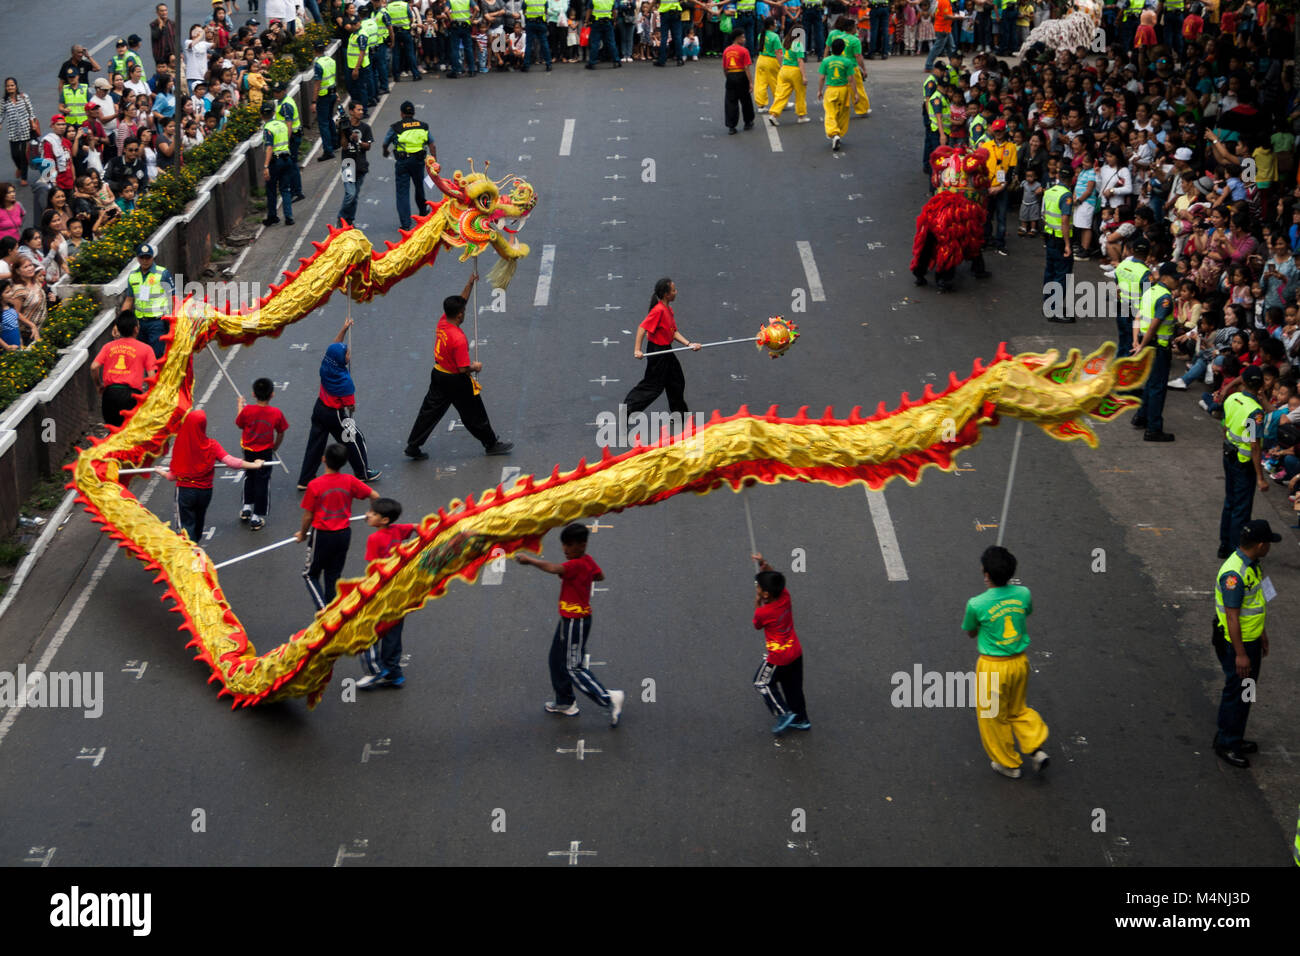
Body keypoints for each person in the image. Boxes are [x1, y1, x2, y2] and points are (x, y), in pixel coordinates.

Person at [516, 522, 625, 726]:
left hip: (576, 621)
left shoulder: (575, 565)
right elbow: (599, 576)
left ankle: (609, 698)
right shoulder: (587, 561)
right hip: (569, 619)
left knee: (573, 667)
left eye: (569, 545)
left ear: (581, 545)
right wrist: (581, 581)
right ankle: (565, 702)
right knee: (556, 659)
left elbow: (554, 568)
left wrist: (530, 560)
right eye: (564, 545)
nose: (565, 549)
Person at [404, 271, 514, 459]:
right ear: (460, 315)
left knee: (429, 412)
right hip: (456, 380)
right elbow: (463, 368)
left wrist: (469, 283)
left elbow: (461, 300)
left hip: (438, 373)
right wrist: (476, 367)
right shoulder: (458, 339)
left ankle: (413, 445)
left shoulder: (443, 322)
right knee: (474, 413)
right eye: (463, 311)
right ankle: (491, 444)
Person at [962, 545, 1049, 780]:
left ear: (986, 574)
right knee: (1017, 709)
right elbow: (1025, 612)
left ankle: (1008, 764)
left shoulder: (976, 604)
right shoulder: (1024, 594)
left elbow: (970, 632)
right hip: (1019, 663)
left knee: (993, 717)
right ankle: (1035, 748)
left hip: (992, 667)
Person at [1212, 519, 1279, 769]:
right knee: (1237, 692)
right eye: (1268, 543)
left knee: (1246, 690)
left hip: (1250, 640)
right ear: (1261, 545)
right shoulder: (1234, 574)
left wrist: (1262, 632)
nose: (1269, 548)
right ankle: (1226, 742)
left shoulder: (1253, 565)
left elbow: (1257, 602)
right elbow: (1232, 616)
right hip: (1237, 645)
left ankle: (1235, 736)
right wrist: (1240, 654)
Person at [155, 409, 267, 544]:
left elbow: (172, 476)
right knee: (198, 525)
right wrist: (255, 465)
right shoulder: (212, 445)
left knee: (184, 529)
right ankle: (195, 550)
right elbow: (231, 461)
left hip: (185, 491)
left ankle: (191, 557)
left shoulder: (181, 445)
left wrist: (162, 472)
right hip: (205, 492)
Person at [296, 443, 381, 610]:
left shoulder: (315, 485)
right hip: (343, 534)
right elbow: (374, 495)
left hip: (322, 535)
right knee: (333, 576)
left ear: (324, 460)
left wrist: (302, 533)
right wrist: (373, 514)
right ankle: (334, 611)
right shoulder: (349, 480)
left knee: (310, 574)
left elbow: (308, 516)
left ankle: (323, 610)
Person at [298, 317, 381, 489]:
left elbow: (335, 346)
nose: (349, 354)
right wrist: (352, 407)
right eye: (348, 353)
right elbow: (350, 405)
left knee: (315, 444)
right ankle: (363, 472)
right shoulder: (345, 382)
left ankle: (305, 479)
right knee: (355, 438)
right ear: (343, 359)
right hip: (334, 414)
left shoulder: (327, 364)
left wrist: (344, 329)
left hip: (319, 408)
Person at [356, 497, 417, 688]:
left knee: (367, 629)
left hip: (382, 592)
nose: (367, 515)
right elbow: (415, 526)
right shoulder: (398, 530)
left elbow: (373, 569)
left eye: (373, 514)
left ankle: (376, 669)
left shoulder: (374, 538)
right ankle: (394, 673)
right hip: (401, 590)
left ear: (384, 520)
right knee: (393, 633)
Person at [623, 277, 700, 416]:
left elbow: (673, 332)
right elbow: (642, 328)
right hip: (658, 353)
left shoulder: (668, 309)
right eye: (674, 290)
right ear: (666, 294)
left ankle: (679, 415)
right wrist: (637, 350)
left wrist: (689, 344)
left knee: (676, 381)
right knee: (653, 386)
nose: (676, 292)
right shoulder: (658, 311)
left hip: (666, 350)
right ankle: (628, 409)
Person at [751, 552, 809, 734]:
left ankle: (783, 714)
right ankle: (801, 720)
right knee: (793, 688)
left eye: (758, 587)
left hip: (778, 658)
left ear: (766, 594)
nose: (757, 589)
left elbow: (757, 625)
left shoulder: (763, 612)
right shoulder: (785, 597)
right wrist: (763, 564)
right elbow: (775, 579)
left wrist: (757, 602)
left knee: (761, 682)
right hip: (795, 652)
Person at [1219, 365, 1268, 560]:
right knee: (1241, 508)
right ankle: (1235, 551)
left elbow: (1224, 426)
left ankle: (1224, 545)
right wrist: (1260, 477)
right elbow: (1254, 445)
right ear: (1261, 385)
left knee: (1230, 502)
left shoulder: (1232, 398)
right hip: (1244, 463)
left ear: (1244, 382)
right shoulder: (1255, 411)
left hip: (1228, 455)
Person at [1132, 262, 1178, 442]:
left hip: (1147, 344)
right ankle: (1153, 428)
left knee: (1151, 383)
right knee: (1157, 387)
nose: (1178, 282)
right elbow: (1155, 324)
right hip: (1158, 347)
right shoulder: (1166, 297)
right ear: (1166, 277)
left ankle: (1141, 416)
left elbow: (1138, 317)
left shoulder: (1150, 291)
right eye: (1175, 278)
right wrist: (1141, 344)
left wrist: (1136, 340)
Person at [236, 377, 289, 531]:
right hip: (265, 452)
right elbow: (281, 432)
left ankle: (246, 506)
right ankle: (256, 516)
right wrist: (275, 447)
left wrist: (240, 405)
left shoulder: (247, 411)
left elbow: (240, 423)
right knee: (263, 481)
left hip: (248, 450)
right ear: (272, 394)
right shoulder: (276, 413)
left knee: (249, 476)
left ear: (253, 394)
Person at [91, 312, 157, 427]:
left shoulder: (108, 347)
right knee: (131, 434)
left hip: (109, 394)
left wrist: (98, 385)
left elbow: (94, 367)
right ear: (136, 329)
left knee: (113, 433)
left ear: (119, 329)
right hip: (132, 396)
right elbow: (152, 377)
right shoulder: (146, 349)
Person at [382, 101, 433, 231]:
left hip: (403, 163)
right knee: (419, 186)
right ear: (413, 113)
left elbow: (385, 143)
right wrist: (434, 162)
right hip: (418, 162)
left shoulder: (396, 127)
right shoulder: (423, 126)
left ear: (402, 114)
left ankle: (405, 224)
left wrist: (385, 151)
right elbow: (432, 145)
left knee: (402, 193)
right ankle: (423, 211)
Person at [121, 243, 175, 358]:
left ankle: (157, 376)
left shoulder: (163, 273)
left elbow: (173, 298)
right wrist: (120, 322)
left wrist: (174, 321)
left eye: (148, 257)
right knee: (141, 357)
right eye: (142, 257)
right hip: (139, 324)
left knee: (156, 356)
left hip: (157, 323)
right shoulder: (132, 276)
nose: (145, 261)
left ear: (152, 257)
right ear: (137, 258)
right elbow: (129, 300)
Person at [1041, 169, 1073, 322]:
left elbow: (1044, 214)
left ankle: (1048, 306)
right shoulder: (1066, 195)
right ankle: (1055, 311)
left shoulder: (1049, 191)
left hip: (1049, 237)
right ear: (1072, 179)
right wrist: (1067, 244)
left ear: (1059, 176)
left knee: (1050, 272)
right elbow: (1065, 221)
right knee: (1062, 275)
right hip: (1060, 240)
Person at [1112, 236, 1151, 359]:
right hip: (1135, 312)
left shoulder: (1123, 265)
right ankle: (1124, 368)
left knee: (1123, 337)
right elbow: (1147, 295)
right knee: (1131, 342)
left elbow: (1116, 284)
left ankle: (1118, 361)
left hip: (1121, 306)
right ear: (1148, 253)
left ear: (1132, 250)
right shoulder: (1145, 272)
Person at [260, 102, 297, 226]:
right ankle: (289, 216)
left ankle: (272, 216)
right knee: (285, 189)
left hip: (275, 162)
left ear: (261, 115)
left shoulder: (268, 129)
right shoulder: (282, 125)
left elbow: (269, 147)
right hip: (287, 159)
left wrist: (266, 166)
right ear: (274, 113)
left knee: (271, 189)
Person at [337, 101, 372, 227]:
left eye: (362, 110)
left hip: (361, 164)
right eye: (358, 110)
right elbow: (344, 146)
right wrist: (343, 133)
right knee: (350, 194)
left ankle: (350, 220)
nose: (361, 112)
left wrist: (359, 141)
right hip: (348, 163)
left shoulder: (366, 128)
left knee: (355, 196)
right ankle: (341, 219)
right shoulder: (344, 126)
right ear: (351, 111)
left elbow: (368, 146)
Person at [984, 118, 1016, 255]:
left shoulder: (1011, 147)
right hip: (988, 188)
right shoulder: (985, 146)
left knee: (1001, 217)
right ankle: (986, 240)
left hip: (1001, 188)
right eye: (996, 131)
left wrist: (1001, 187)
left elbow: (1011, 170)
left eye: (1000, 131)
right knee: (986, 217)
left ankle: (1000, 243)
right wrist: (986, 187)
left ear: (1005, 131)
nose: (998, 133)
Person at [817, 36, 855, 152]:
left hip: (831, 90)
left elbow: (822, 77)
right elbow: (851, 79)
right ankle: (839, 132)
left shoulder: (826, 61)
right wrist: (856, 94)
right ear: (843, 49)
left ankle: (834, 133)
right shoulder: (847, 62)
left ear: (831, 49)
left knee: (830, 113)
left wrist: (819, 90)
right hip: (843, 90)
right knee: (843, 113)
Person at [766, 24, 809, 124]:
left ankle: (773, 114)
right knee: (800, 94)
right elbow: (800, 61)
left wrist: (782, 67)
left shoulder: (785, 41)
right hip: (795, 71)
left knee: (781, 94)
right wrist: (804, 76)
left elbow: (781, 55)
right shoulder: (798, 44)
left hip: (784, 70)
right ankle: (801, 116)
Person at [721, 30, 755, 134]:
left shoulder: (726, 50)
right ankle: (748, 122)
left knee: (731, 101)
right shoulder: (744, 51)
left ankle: (731, 126)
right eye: (743, 37)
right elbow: (746, 68)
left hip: (731, 75)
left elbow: (725, 68)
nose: (744, 40)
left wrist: (729, 77)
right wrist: (751, 82)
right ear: (738, 38)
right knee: (745, 100)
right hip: (741, 75)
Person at [312, 40, 337, 162]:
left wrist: (313, 101)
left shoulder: (318, 64)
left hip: (323, 97)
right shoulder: (330, 60)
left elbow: (317, 84)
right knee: (329, 119)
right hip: (332, 93)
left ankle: (328, 150)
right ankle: (335, 142)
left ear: (315, 51)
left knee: (323, 124)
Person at [752, 17, 782, 112]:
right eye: (775, 23)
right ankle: (780, 102)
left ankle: (761, 105)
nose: (776, 25)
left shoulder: (761, 35)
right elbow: (777, 52)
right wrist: (782, 65)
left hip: (761, 60)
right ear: (770, 26)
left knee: (760, 83)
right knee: (776, 82)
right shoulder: (775, 36)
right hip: (771, 61)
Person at [522, 0, 553, 70]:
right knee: (544, 43)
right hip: (541, 23)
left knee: (529, 44)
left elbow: (524, 12)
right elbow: (546, 12)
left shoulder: (526, 0)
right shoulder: (544, 0)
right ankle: (548, 64)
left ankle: (526, 65)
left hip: (530, 23)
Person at [655, 0, 685, 66]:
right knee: (677, 37)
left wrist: (647, 11)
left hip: (664, 14)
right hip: (675, 12)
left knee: (664, 37)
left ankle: (662, 60)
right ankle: (679, 59)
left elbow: (654, 1)